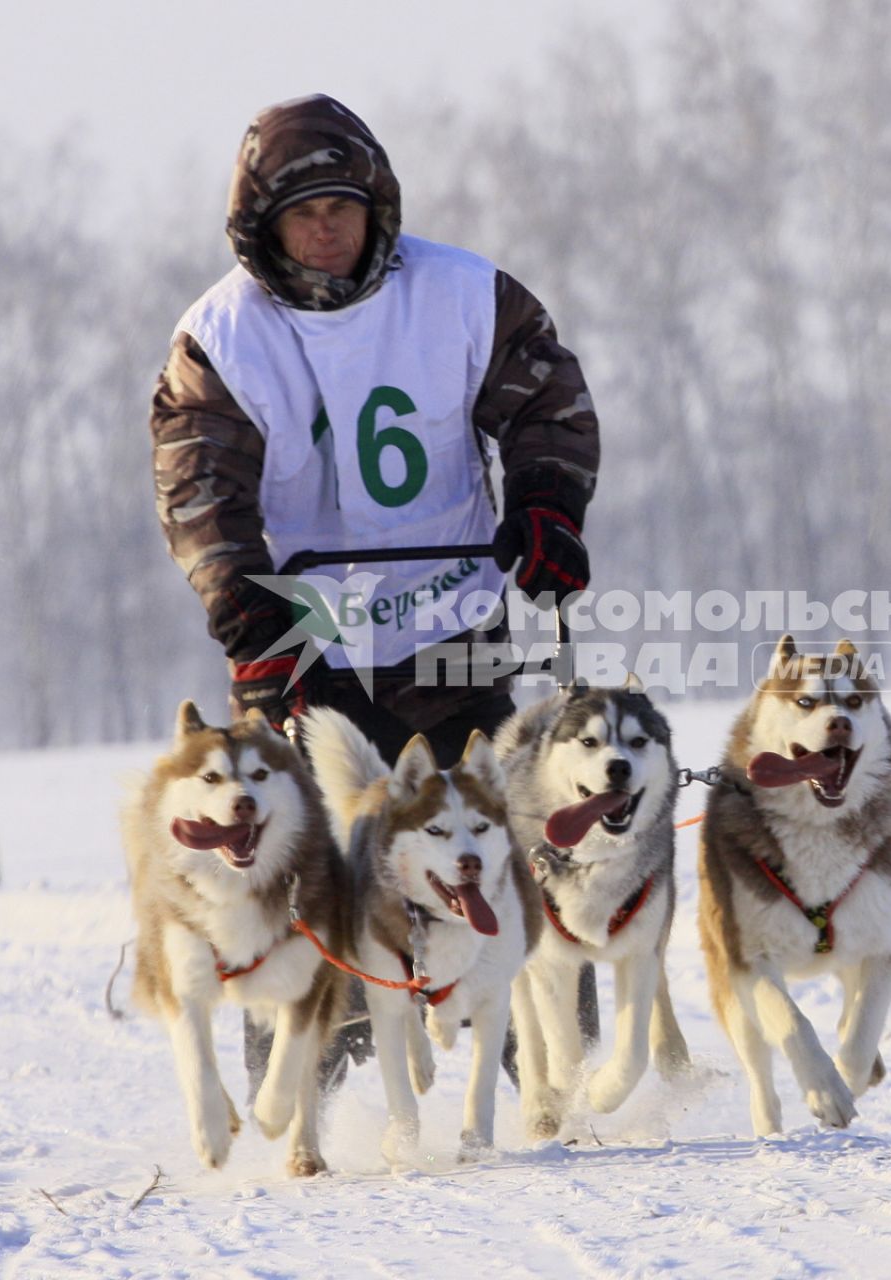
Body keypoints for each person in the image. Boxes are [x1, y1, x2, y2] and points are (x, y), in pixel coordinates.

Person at [148, 95, 600, 1095]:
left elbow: (545, 407)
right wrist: (242, 605)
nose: (325, 228)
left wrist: (547, 507)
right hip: (301, 647)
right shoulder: (219, 337)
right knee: (289, 865)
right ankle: (303, 1083)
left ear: (376, 205)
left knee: (501, 838)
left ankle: (556, 1071)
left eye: (342, 205)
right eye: (301, 212)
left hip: (454, 626)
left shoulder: (464, 294)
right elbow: (199, 486)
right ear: (260, 228)